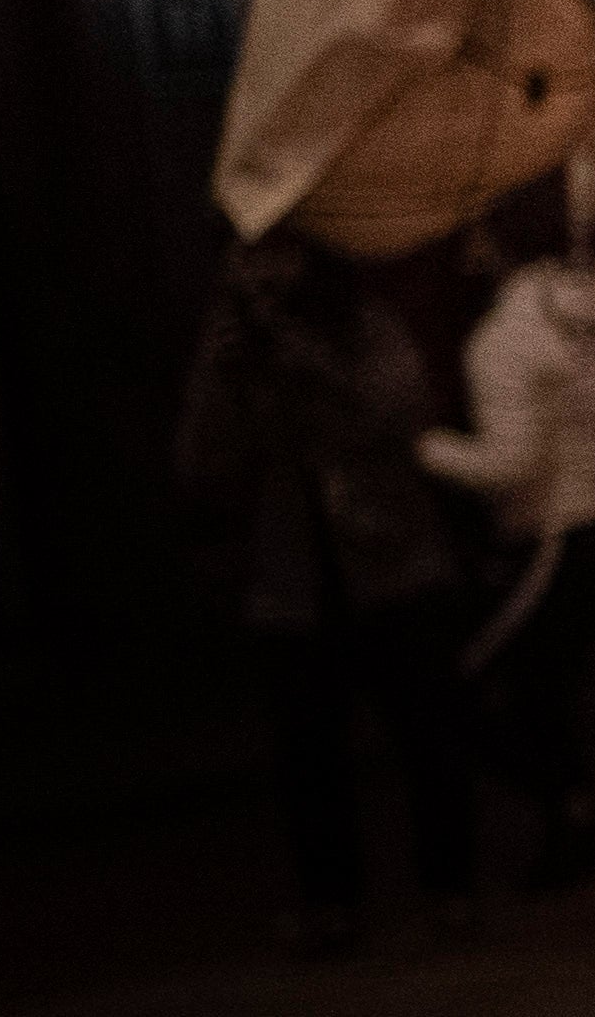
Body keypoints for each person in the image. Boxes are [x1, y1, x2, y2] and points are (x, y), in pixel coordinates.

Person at [177, 231, 480, 953]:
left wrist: (313, 362)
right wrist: (225, 378)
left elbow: (405, 412)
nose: (260, 282)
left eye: (273, 261)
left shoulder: (365, 326)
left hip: (395, 565)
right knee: (309, 754)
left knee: (426, 736)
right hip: (293, 582)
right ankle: (331, 903)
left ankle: (450, 887)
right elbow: (198, 461)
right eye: (245, 267)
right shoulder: (234, 350)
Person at [416, 179, 595, 890]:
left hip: (554, 539)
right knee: (541, 687)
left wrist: (422, 446)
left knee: (463, 687)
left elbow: (511, 463)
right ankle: (573, 823)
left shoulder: (502, 342)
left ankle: (571, 812)